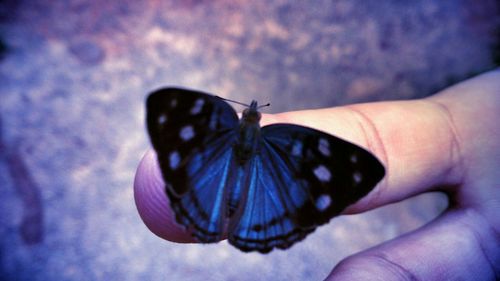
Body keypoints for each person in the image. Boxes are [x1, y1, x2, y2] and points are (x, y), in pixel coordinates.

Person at [134, 70, 500, 280]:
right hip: (269, 191)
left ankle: (209, 214)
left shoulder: (212, 118)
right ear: (259, 120)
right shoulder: (291, 142)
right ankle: (242, 222)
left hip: (211, 181)